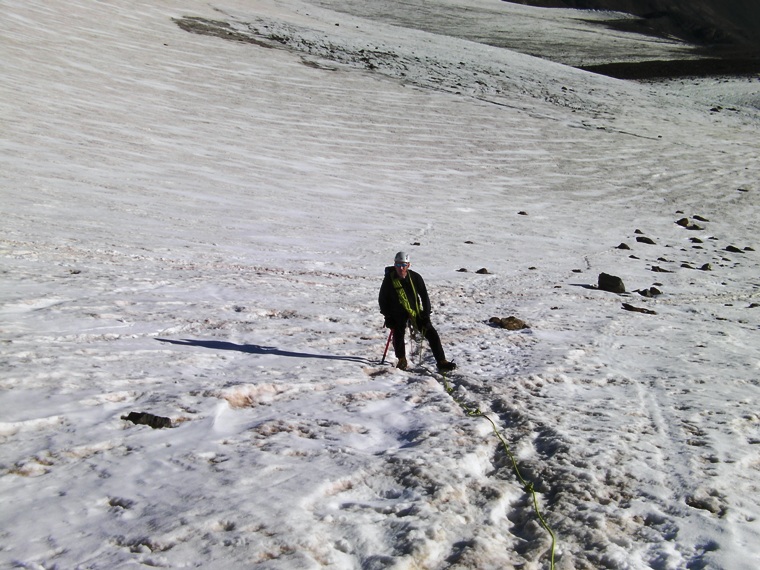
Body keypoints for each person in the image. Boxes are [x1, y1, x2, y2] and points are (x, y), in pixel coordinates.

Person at [378, 251, 456, 372]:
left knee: (431, 333)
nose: (401, 268)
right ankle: (402, 359)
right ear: (394, 265)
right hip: (397, 312)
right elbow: (382, 299)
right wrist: (388, 316)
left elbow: (424, 296)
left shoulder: (415, 277)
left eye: (403, 265)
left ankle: (441, 361)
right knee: (398, 333)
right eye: (398, 265)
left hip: (415, 311)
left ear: (408, 265)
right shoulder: (389, 279)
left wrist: (426, 313)